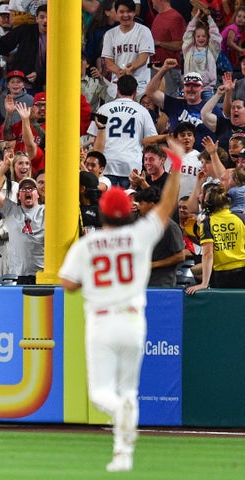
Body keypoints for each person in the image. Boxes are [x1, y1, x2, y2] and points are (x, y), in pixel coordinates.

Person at [58, 141, 183, 473]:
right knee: (129, 392)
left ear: (101, 211)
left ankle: (121, 428)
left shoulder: (89, 243)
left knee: (102, 394)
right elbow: (168, 205)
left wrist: (89, 280)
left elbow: (67, 284)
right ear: (125, 211)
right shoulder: (139, 235)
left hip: (102, 321)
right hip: (133, 320)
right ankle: (123, 453)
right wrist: (178, 165)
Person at [89, 75, 158, 187]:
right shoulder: (143, 111)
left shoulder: (104, 108)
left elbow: (93, 137)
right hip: (131, 166)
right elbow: (151, 140)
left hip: (107, 164)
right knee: (127, 203)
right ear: (135, 92)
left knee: (107, 203)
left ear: (118, 90)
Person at [145, 63, 222, 150]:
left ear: (202, 88)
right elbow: (150, 92)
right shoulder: (174, 104)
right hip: (177, 157)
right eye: (188, 85)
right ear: (183, 88)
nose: (191, 89)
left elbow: (222, 133)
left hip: (203, 158)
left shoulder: (211, 109)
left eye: (195, 86)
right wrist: (164, 69)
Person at [0, 171, 44, 285]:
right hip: (18, 275)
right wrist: (5, 166)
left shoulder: (46, 211)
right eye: (23, 189)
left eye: (31, 188)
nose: (27, 191)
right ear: (18, 196)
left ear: (37, 194)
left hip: (42, 274)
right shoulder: (11, 210)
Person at [185, 183, 245, 293]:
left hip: (223, 276)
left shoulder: (207, 222)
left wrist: (204, 283)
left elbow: (208, 254)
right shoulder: (240, 218)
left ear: (208, 204)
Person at [133, 187, 186, 287]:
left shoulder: (170, 226)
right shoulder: (138, 222)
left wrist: (154, 264)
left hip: (162, 282)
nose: (138, 207)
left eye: (141, 204)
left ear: (152, 205)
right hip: (140, 280)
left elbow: (180, 256)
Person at [101, 0, 154, 99]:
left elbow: (143, 58)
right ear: (116, 13)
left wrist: (130, 68)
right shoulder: (109, 34)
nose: (125, 15)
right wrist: (120, 72)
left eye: (129, 11)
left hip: (140, 88)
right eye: (121, 12)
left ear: (134, 13)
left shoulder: (144, 31)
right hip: (116, 88)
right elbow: (108, 61)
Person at [0, 4, 48, 93]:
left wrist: (39, 75)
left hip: (46, 83)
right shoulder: (26, 30)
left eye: (49, 17)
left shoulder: (58, 37)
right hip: (22, 82)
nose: (45, 21)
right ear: (36, 19)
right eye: (42, 17)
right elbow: (3, 45)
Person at [181, 8, 221, 100]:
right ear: (194, 37)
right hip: (191, 88)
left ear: (208, 37)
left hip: (206, 89)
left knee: (207, 113)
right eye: (198, 36)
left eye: (204, 36)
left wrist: (209, 17)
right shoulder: (188, 49)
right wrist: (196, 16)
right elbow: (188, 33)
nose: (201, 38)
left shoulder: (212, 50)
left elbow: (215, 36)